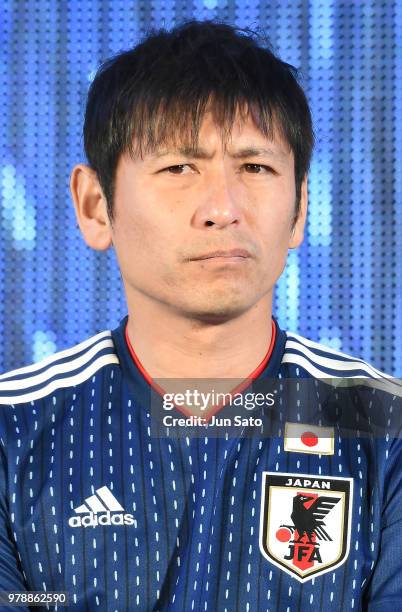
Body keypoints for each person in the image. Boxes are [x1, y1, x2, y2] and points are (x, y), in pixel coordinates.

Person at [0, 20, 401, 612]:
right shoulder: (14, 432)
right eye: (179, 168)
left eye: (255, 167)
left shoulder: (383, 429)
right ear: (94, 205)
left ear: (299, 209)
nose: (222, 208)